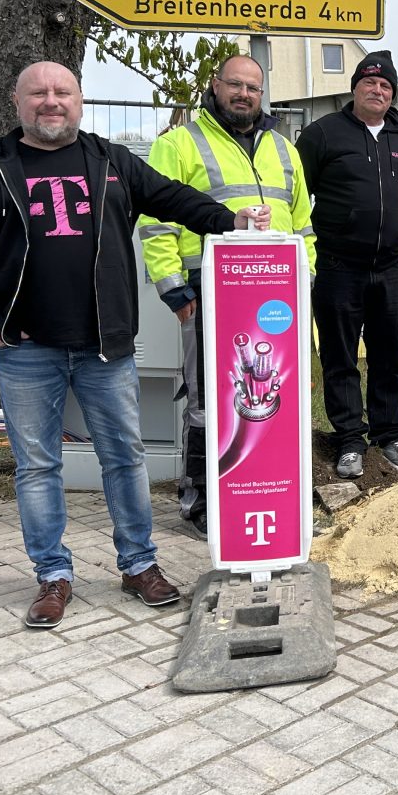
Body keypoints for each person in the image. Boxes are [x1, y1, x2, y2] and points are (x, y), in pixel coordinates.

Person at [0, 61, 270, 629]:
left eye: (62, 91)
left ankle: (138, 565)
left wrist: (229, 218)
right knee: (38, 466)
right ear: (18, 103)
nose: (51, 101)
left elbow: (175, 199)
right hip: (24, 350)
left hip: (104, 347)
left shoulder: (111, 160)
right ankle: (53, 575)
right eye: (39, 93)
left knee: (125, 459)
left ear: (80, 100)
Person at [140, 54, 315, 538]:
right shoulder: (180, 144)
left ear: (263, 95)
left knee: (272, 390)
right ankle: (199, 499)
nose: (244, 94)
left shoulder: (284, 149)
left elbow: (303, 225)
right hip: (208, 290)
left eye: (253, 88)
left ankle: (271, 488)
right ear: (214, 86)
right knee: (207, 397)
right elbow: (154, 222)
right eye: (234, 85)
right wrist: (172, 287)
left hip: (277, 295)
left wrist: (306, 277)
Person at [294, 50, 398, 479]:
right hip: (338, 267)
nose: (377, 90)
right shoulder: (322, 134)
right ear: (354, 89)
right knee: (340, 357)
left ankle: (389, 436)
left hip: (389, 269)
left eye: (385, 85)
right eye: (369, 83)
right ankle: (350, 439)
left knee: (388, 356)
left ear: (392, 95)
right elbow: (297, 196)